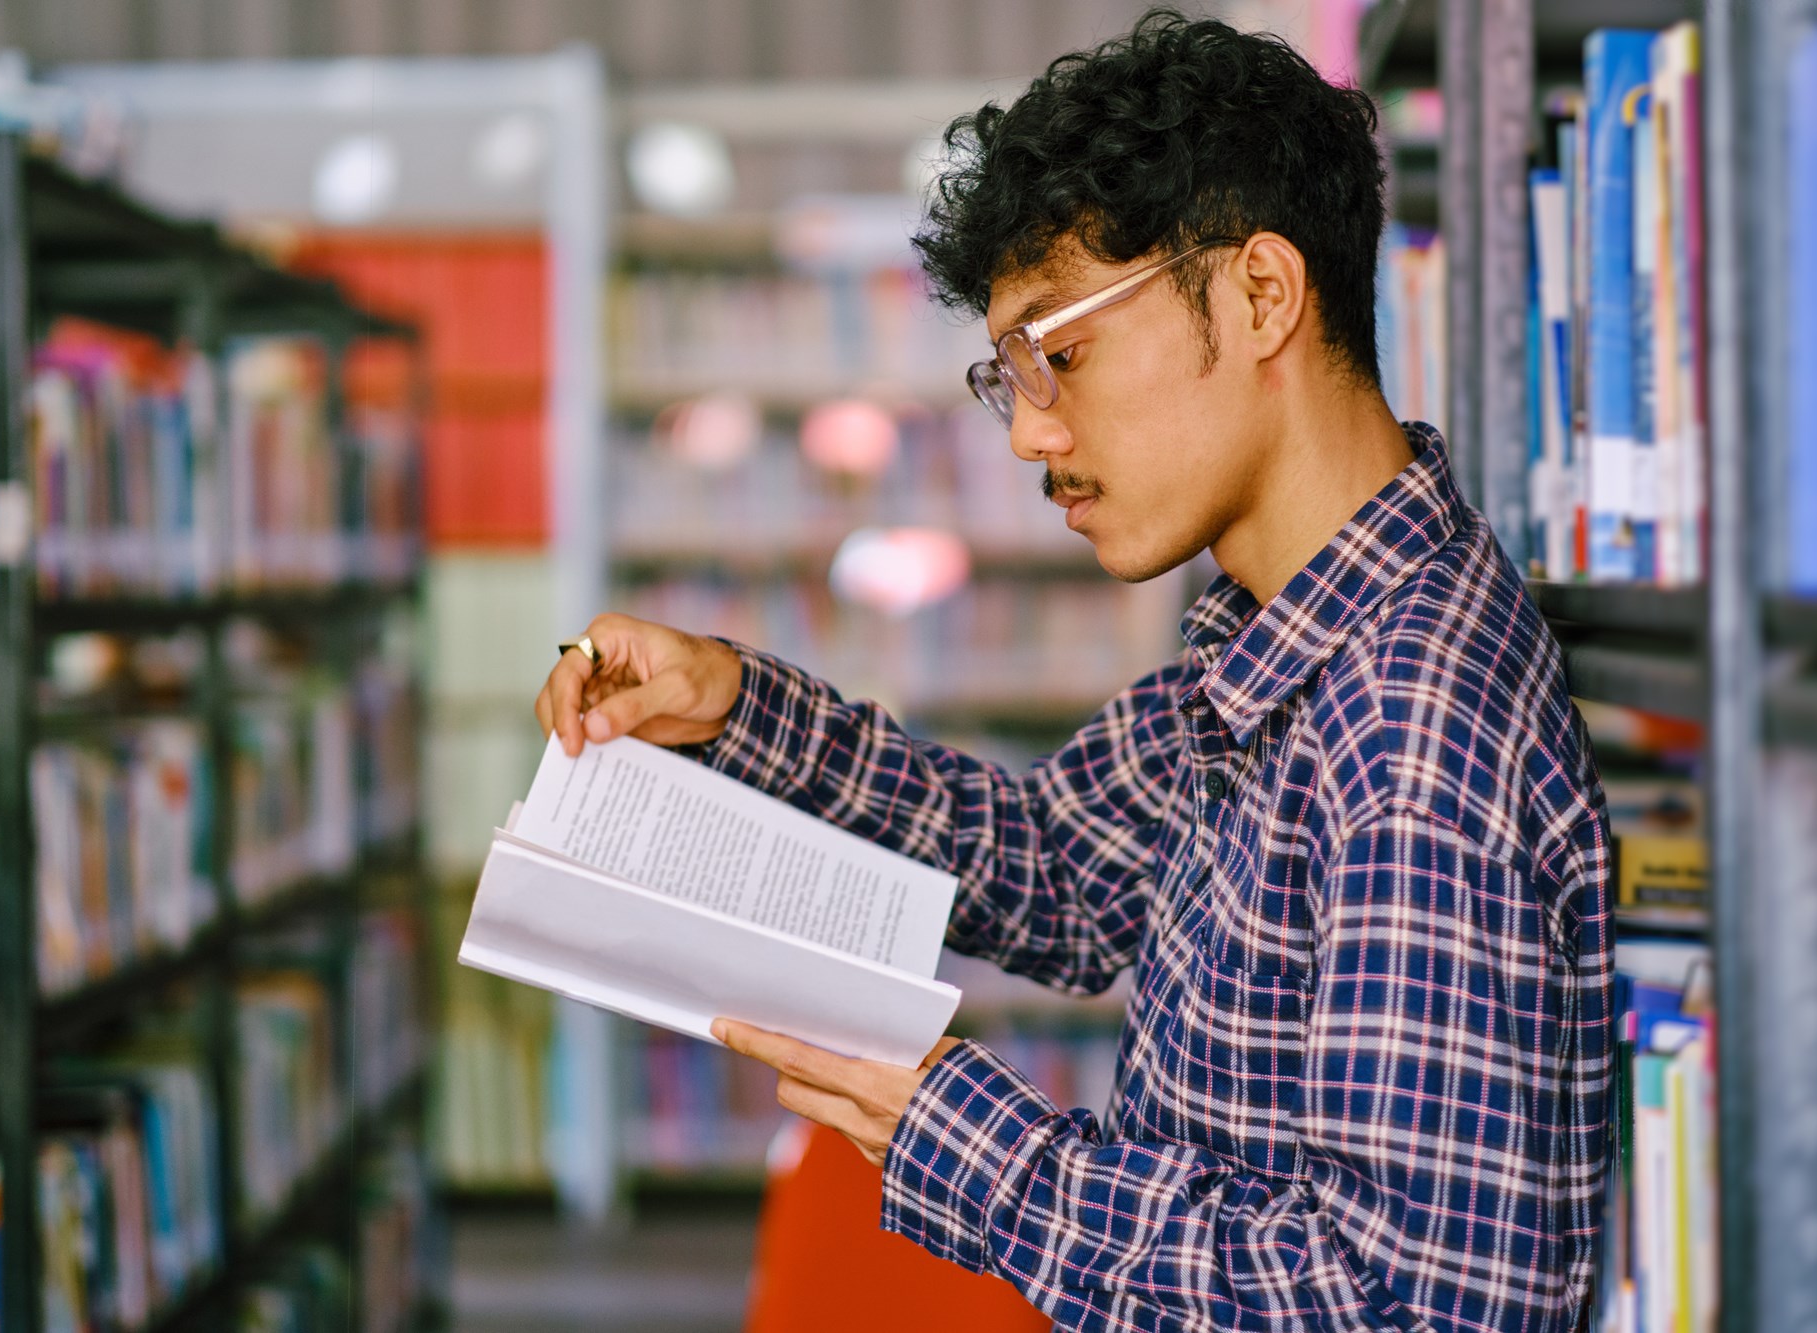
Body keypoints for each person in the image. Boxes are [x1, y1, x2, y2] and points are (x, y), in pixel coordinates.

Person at [536, 12, 1612, 1332]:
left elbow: (1406, 1306)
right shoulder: (1276, 636)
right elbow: (1056, 862)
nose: (1035, 434)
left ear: (1262, 294)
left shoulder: (1410, 727)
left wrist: (969, 1143)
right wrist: (739, 706)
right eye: (1011, 376)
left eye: (1065, 353)